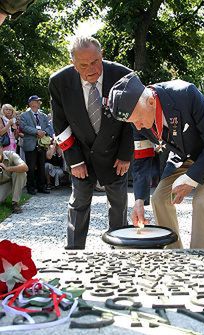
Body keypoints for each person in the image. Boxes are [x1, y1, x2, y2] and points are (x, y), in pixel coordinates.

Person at [108, 73, 204, 249]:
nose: (138, 127)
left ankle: (202, 255)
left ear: (150, 102)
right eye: (132, 123)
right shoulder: (137, 120)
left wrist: (191, 179)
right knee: (159, 199)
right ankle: (175, 253)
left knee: (202, 202)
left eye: (139, 119)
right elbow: (142, 160)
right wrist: (139, 201)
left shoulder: (186, 93)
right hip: (183, 155)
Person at [49, 35, 134, 250]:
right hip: (81, 152)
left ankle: (119, 249)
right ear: (73, 64)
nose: (92, 69)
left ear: (102, 54)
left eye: (95, 62)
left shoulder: (123, 76)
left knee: (118, 203)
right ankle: (74, 252)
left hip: (115, 153)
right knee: (78, 202)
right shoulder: (59, 82)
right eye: (84, 65)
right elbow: (60, 124)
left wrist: (126, 154)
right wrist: (74, 160)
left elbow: (131, 121)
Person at [20, 95, 53, 195]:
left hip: (42, 144)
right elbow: (23, 127)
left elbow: (49, 127)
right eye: (37, 101)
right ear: (31, 103)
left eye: (39, 101)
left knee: (41, 166)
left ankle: (41, 186)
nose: (39, 102)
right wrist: (36, 132)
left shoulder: (43, 115)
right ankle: (31, 188)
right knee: (30, 166)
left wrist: (44, 132)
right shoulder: (24, 115)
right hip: (30, 144)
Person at [0, 142, 28, 213]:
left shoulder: (11, 154)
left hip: (12, 181)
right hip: (2, 185)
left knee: (21, 173)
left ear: (1, 148)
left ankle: (15, 203)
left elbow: (25, 167)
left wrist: (7, 168)